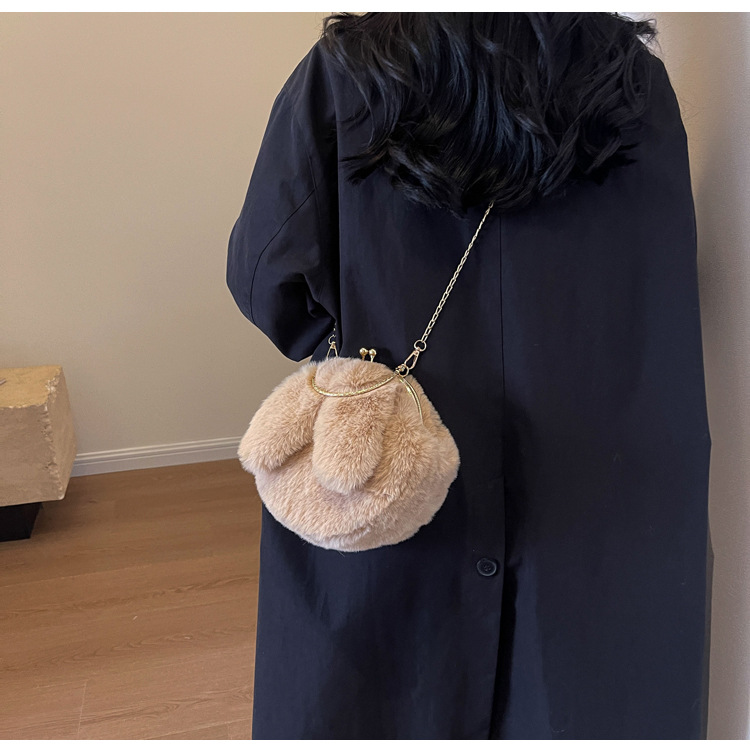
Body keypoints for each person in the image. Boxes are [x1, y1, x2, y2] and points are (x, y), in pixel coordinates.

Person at [226, 12, 713, 740]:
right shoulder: (630, 82)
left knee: (374, 689)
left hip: (386, 461)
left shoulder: (348, 73)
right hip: (598, 468)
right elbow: (657, 282)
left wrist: (348, 347)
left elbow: (266, 277)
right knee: (585, 687)